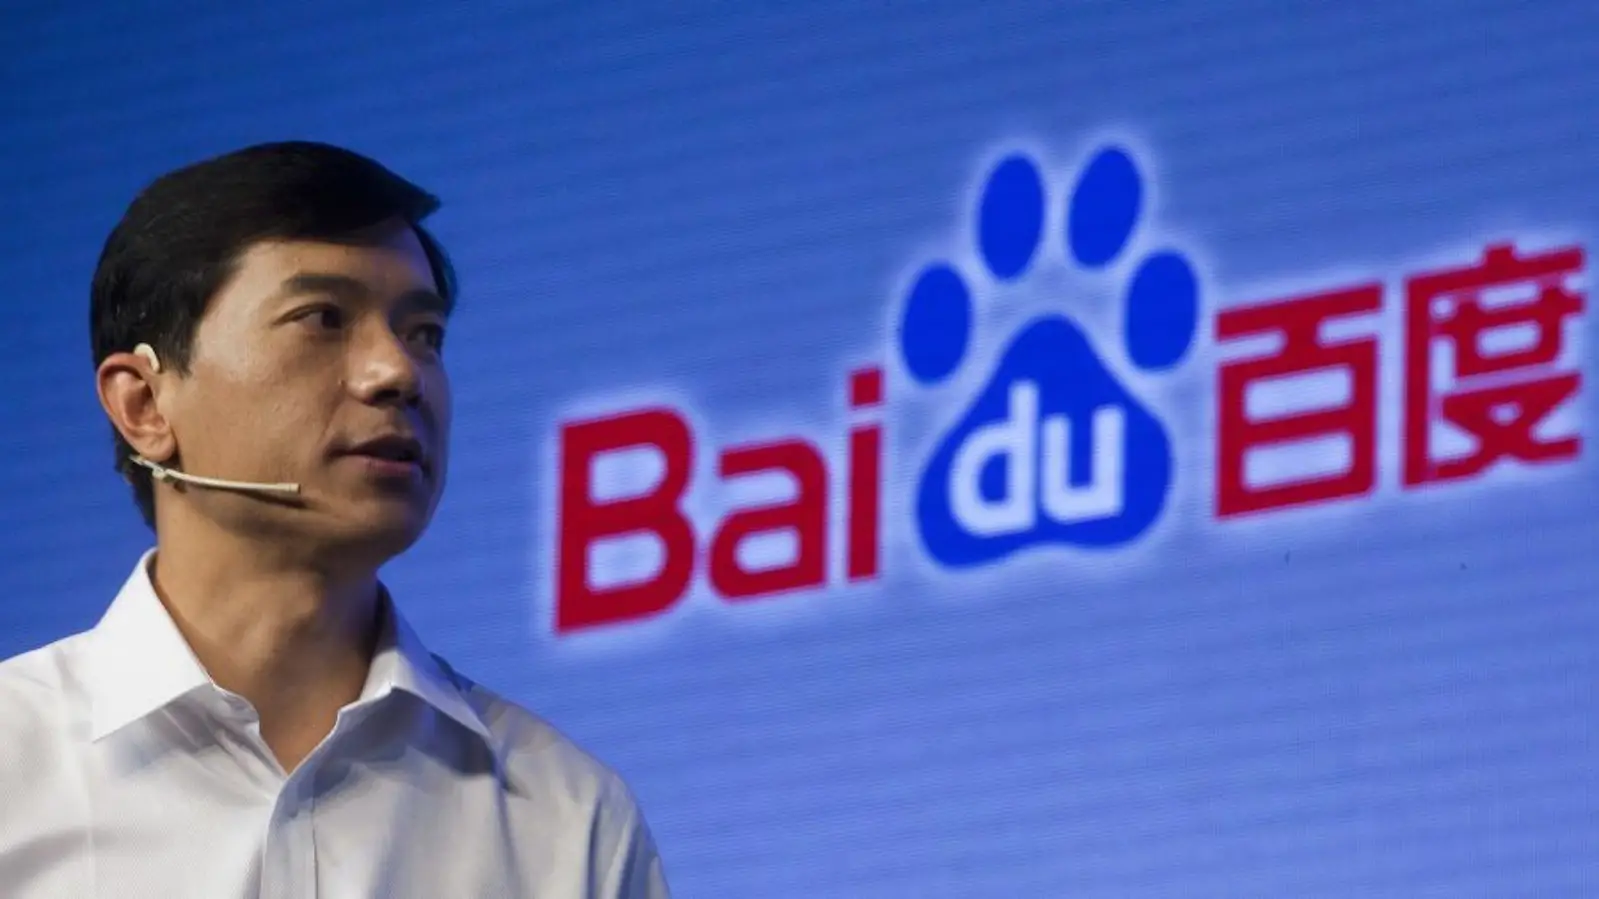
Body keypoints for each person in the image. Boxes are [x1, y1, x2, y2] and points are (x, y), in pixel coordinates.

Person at [0, 141, 671, 898]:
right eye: (322, 318)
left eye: (424, 334)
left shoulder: (565, 818)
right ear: (145, 404)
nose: (397, 372)